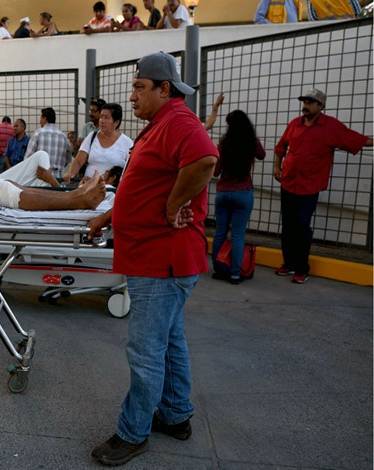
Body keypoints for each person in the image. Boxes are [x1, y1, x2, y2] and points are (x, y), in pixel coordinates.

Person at [87, 52, 218, 466]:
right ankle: (176, 415)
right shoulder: (159, 125)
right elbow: (143, 185)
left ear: (164, 89)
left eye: (140, 88)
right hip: (161, 260)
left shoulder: (178, 120)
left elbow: (204, 160)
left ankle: (134, 431)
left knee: (145, 350)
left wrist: (172, 206)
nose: (133, 95)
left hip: (162, 261)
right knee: (169, 341)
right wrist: (110, 215)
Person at [273, 88, 372, 284]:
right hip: (288, 182)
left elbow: (357, 139)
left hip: (309, 186)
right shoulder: (294, 124)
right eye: (304, 101)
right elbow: (281, 147)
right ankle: (289, 263)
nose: (305, 105)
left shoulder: (331, 127)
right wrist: (277, 167)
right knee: (288, 225)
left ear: (321, 106)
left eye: (310, 102)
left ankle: (302, 268)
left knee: (302, 225)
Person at [210, 109, 266, 284]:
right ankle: (235, 274)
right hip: (243, 192)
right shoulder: (251, 142)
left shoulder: (224, 143)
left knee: (220, 232)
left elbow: (216, 171)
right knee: (238, 235)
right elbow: (262, 155)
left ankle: (219, 269)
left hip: (224, 192)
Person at [63, 103, 133, 183]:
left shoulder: (127, 142)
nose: (102, 121)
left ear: (116, 122)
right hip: (87, 187)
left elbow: (130, 169)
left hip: (111, 191)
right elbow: (79, 161)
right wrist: (70, 174)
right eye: (101, 117)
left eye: (106, 118)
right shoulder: (92, 137)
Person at [24, 107, 71, 179]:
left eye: (40, 118)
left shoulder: (38, 134)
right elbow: (68, 160)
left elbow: (28, 158)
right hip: (57, 179)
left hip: (40, 179)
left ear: (45, 119)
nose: (40, 121)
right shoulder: (63, 136)